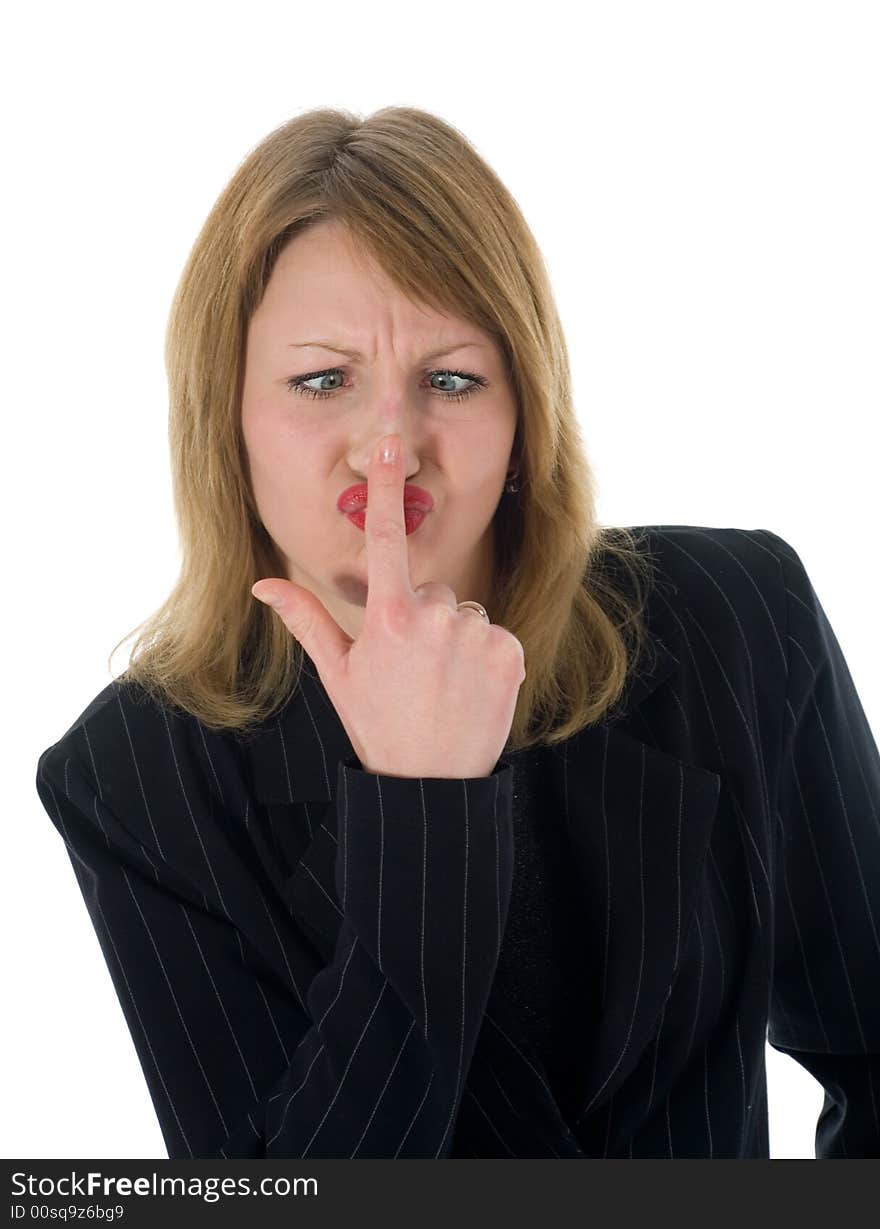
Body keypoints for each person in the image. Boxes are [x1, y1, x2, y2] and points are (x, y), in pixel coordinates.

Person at [35, 105, 880, 1160]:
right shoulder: (135, 774)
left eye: (450, 380)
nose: (389, 446)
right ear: (226, 418)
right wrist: (420, 808)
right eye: (320, 379)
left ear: (525, 412)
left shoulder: (741, 617)